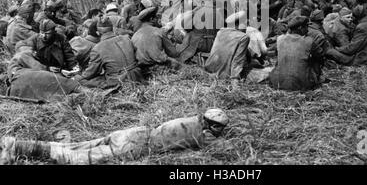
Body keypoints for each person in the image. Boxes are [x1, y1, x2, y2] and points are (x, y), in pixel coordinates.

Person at [0, 108, 228, 165]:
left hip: (135, 131)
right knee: (76, 158)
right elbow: (219, 145)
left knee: (79, 145)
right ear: (212, 125)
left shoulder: (193, 119)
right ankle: (20, 149)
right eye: (218, 128)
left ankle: (18, 145)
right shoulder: (204, 134)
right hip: (137, 145)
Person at [74, 17, 143, 89]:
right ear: (112, 28)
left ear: (98, 33)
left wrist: (79, 76)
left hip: (119, 82)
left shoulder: (97, 48)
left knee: (82, 81)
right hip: (137, 76)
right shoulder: (126, 38)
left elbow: (91, 73)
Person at [268, 16, 324, 91]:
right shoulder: (309, 41)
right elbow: (320, 56)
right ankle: (314, 79)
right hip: (301, 85)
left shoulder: (280, 39)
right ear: (300, 28)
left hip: (277, 83)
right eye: (306, 26)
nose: (308, 30)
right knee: (316, 60)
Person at [205, 11, 250, 81]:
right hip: (225, 75)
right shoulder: (244, 37)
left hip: (210, 71)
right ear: (238, 24)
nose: (246, 27)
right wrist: (235, 81)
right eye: (245, 24)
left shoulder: (220, 32)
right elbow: (238, 61)